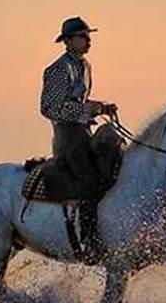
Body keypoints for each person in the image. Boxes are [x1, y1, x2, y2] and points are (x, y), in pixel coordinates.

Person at [40, 16, 117, 199]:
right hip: (68, 138)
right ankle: (87, 226)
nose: (88, 40)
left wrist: (101, 108)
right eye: (82, 36)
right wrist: (85, 110)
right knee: (91, 183)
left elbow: (79, 100)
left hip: (84, 132)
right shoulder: (59, 69)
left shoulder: (85, 66)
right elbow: (49, 107)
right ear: (67, 41)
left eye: (88, 36)